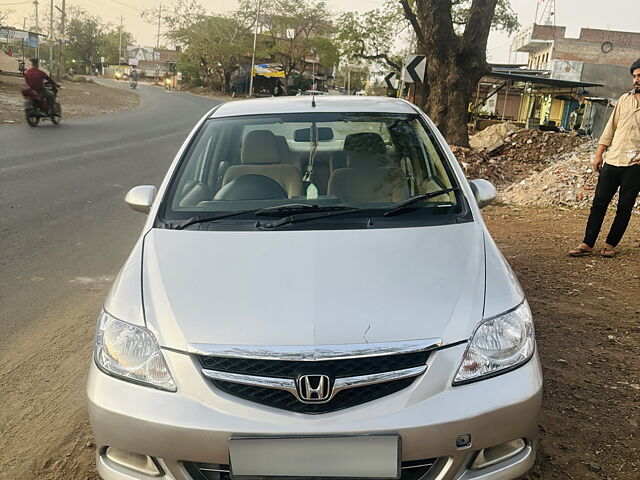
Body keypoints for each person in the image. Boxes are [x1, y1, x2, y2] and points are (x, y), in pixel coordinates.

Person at [569, 59, 640, 258]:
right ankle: (587, 243)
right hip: (613, 159)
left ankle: (610, 245)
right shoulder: (624, 99)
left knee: (624, 207)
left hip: (634, 165)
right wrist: (599, 154)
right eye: (634, 76)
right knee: (599, 203)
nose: (636, 80)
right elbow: (610, 128)